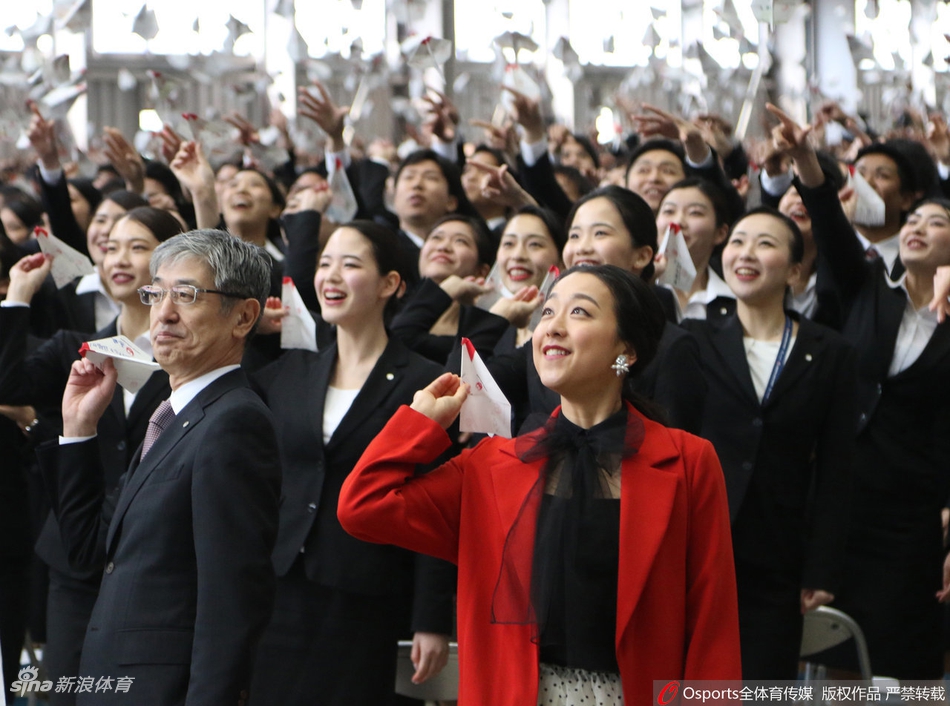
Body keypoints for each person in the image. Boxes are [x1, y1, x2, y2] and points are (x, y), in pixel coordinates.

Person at [339, 264, 742, 706]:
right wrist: (420, 425)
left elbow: (713, 622)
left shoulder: (689, 461)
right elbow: (363, 506)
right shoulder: (492, 465)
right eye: (547, 313)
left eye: (580, 313)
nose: (553, 326)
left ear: (625, 349)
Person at [34, 229, 281, 704]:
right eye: (156, 293)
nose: (163, 313)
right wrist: (78, 429)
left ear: (244, 316)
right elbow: (87, 552)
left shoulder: (235, 422)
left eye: (186, 295)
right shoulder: (172, 417)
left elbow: (230, 603)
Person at [770, 103, 950, 679]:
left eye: (937, 223)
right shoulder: (869, 288)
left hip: (913, 516)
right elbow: (828, 222)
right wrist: (806, 160)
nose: (918, 227)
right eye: (914, 222)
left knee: (903, 662)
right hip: (842, 501)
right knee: (834, 657)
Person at [248, 221, 454, 704]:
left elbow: (435, 506)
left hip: (366, 594)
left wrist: (431, 619)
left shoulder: (423, 383)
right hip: (280, 589)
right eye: (324, 264)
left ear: (390, 284)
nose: (331, 276)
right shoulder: (289, 373)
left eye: (350, 264)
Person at [0, 207, 181, 705]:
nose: (120, 257)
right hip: (74, 557)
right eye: (111, 246)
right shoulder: (73, 348)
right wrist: (17, 298)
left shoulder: (186, 357)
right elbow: (7, 384)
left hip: (152, 558)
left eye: (138, 246)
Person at [681, 207, 857, 677]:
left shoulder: (830, 351)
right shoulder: (692, 339)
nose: (746, 252)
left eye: (765, 243)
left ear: (796, 271)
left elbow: (838, 465)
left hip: (778, 554)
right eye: (738, 241)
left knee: (762, 683)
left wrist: (821, 569)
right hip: (695, 544)